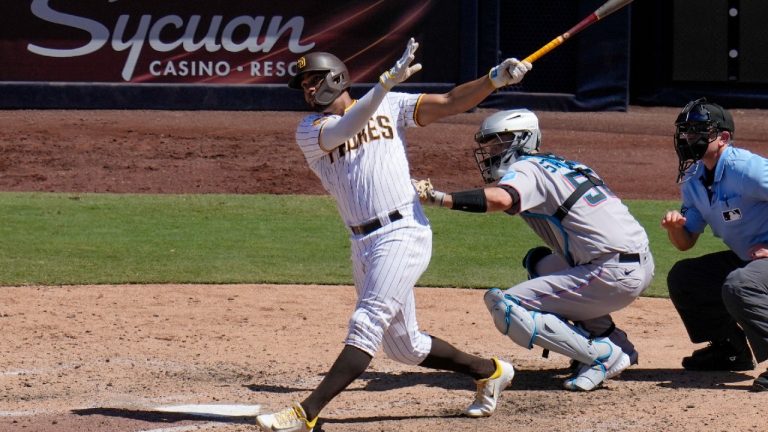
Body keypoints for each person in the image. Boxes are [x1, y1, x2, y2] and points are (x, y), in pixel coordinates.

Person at [255, 39, 532, 432]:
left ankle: (307, 414)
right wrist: (382, 85)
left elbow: (451, 101)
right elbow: (349, 125)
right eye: (303, 86)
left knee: (366, 322)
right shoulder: (310, 130)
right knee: (405, 347)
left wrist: (494, 80)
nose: (309, 90)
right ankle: (490, 372)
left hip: (403, 232)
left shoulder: (390, 103)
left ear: (337, 78)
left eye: (313, 81)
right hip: (361, 243)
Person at [414, 108, 654, 391]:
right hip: (635, 263)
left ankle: (602, 356)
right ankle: (614, 341)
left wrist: (439, 198)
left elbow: (502, 199)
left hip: (610, 272)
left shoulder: (526, 168)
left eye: (499, 142)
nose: (491, 152)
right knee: (539, 262)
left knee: (506, 305)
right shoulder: (565, 164)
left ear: (522, 140)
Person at [661, 97, 768, 392]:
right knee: (686, 278)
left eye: (698, 131)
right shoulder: (694, 180)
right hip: (752, 259)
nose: (689, 138)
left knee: (741, 284)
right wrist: (675, 228)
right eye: (686, 131)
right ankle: (729, 350)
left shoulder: (747, 169)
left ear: (723, 138)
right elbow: (686, 243)